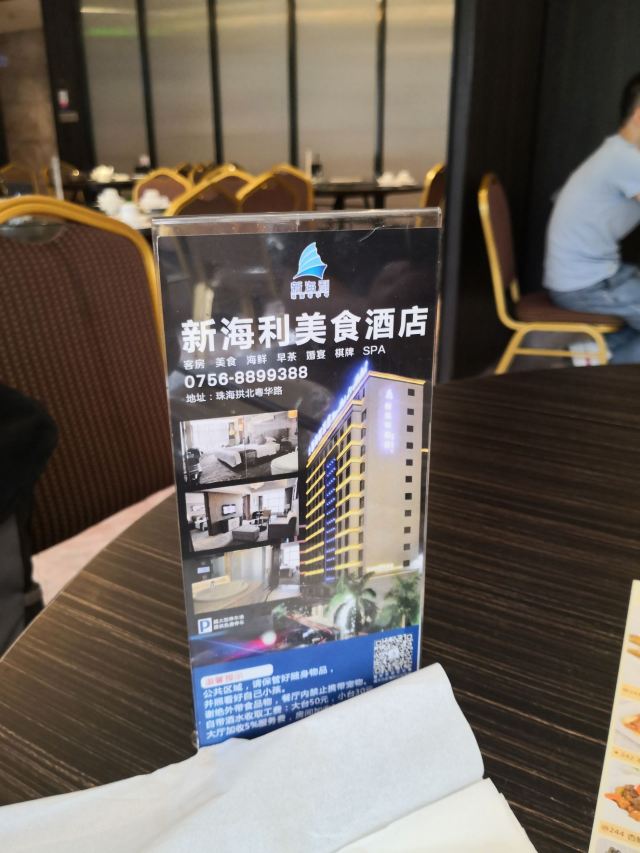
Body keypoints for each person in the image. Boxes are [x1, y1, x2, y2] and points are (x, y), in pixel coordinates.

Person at [544, 72, 640, 363]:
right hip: (585, 284)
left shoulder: (616, 152)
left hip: (590, 276)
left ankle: (583, 361)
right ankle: (591, 368)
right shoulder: (626, 160)